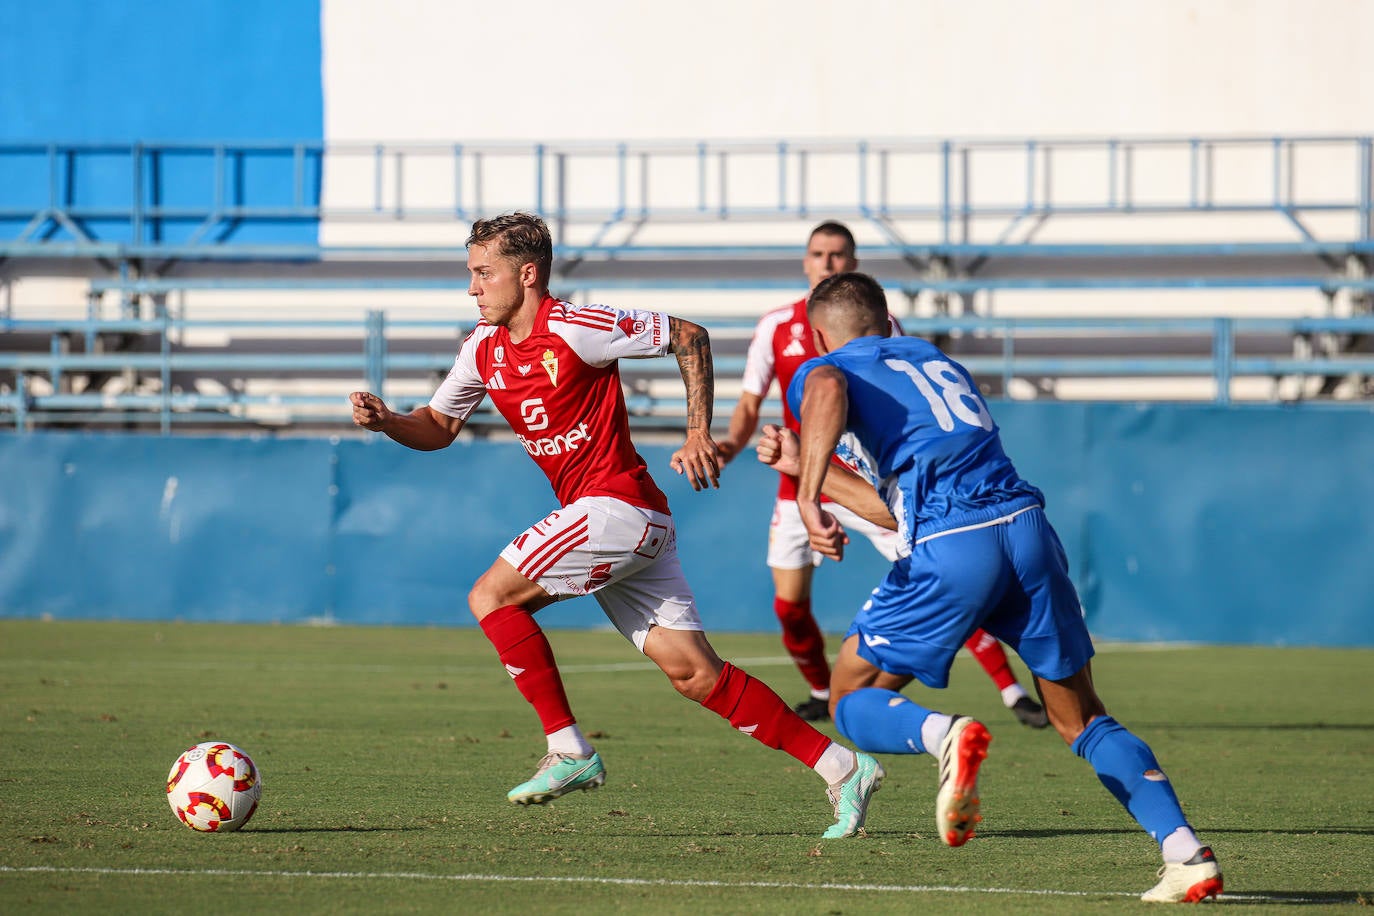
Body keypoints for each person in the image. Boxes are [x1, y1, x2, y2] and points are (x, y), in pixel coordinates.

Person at [349, 212, 884, 838]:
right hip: (623, 524)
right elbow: (437, 428)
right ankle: (842, 766)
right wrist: (389, 421)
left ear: (527, 275)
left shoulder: (577, 327)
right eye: (471, 274)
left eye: (482, 273)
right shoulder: (482, 350)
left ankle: (570, 749)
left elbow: (690, 336)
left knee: (490, 595)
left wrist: (696, 432)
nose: (473, 287)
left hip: (617, 507)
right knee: (695, 673)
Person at [757, 271, 1223, 903]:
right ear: (889, 318)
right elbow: (896, 507)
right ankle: (1185, 853)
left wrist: (807, 497)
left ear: (818, 336)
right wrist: (802, 464)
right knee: (1081, 716)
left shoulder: (828, 369)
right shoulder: (933, 360)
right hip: (1025, 529)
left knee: (850, 694)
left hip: (954, 543)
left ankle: (945, 736)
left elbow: (830, 386)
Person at [717, 220, 1048, 729]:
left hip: (866, 484)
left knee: (944, 575)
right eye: (818, 253)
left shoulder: (881, 326)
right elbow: (748, 402)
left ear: (853, 264)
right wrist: (727, 446)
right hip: (800, 482)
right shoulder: (775, 326)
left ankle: (1009, 692)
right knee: (789, 607)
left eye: (837, 254)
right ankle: (824, 691)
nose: (827, 261)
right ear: (806, 261)